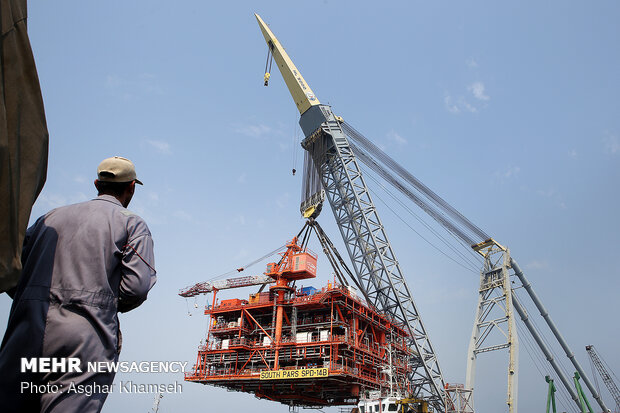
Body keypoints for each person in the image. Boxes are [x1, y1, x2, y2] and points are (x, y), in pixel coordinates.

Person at [0, 156, 156, 413]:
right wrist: (99, 304)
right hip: (84, 337)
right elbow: (136, 288)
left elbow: (11, 269)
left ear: (97, 183)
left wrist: (31, 300)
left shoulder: (48, 218)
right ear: (132, 188)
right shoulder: (131, 223)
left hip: (25, 329)